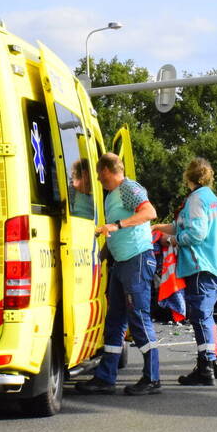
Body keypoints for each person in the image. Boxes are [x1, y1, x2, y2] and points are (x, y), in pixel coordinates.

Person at [76, 152, 161, 396]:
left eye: (101, 177)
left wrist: (117, 225)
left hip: (136, 260)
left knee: (139, 319)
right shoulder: (112, 196)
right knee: (114, 321)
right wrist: (101, 255)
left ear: (106, 171)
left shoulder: (127, 188)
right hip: (122, 262)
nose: (99, 182)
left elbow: (149, 212)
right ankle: (105, 377)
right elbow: (114, 232)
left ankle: (152, 378)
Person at [153, 157, 217, 386]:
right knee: (207, 316)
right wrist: (159, 227)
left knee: (200, 318)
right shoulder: (210, 197)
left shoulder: (196, 199)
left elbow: (196, 233)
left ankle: (205, 367)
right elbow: (184, 224)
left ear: (188, 176)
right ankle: (214, 363)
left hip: (201, 266)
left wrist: (172, 240)